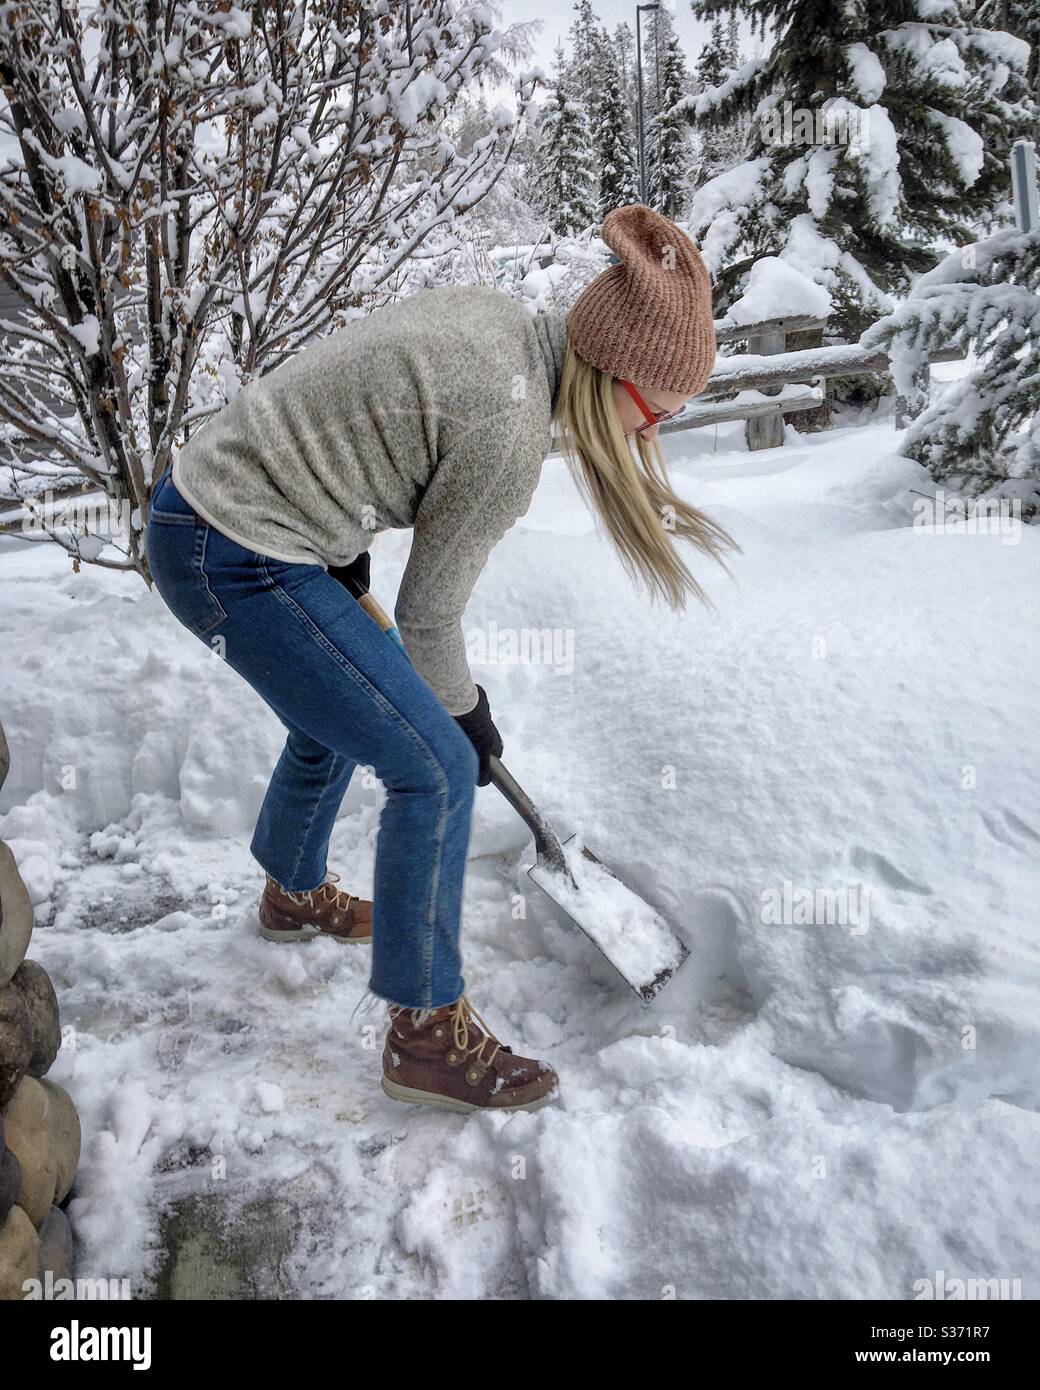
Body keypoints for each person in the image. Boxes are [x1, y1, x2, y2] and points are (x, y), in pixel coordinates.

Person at [145, 203, 737, 1115]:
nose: (649, 435)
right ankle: (426, 1033)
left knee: (345, 704)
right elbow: (428, 623)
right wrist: (465, 713)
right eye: (657, 413)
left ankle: (293, 892)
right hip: (235, 546)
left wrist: (331, 521)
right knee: (434, 763)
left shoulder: (503, 325)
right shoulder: (508, 433)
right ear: (616, 374)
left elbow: (365, 396)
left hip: (219, 513)